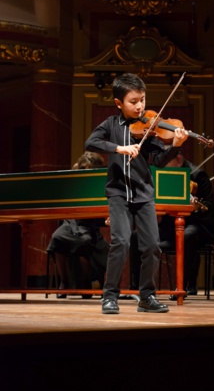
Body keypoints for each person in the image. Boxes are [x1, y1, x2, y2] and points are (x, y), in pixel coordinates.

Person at [85, 72, 189, 314]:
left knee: (152, 245)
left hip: (143, 193)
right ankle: (110, 296)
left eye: (142, 99)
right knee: (120, 241)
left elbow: (161, 161)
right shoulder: (111, 124)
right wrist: (119, 148)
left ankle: (147, 297)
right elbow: (91, 142)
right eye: (133, 101)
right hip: (118, 192)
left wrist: (175, 146)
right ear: (119, 103)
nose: (140, 105)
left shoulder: (149, 127)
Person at [130, 151, 214, 298]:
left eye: (165, 163)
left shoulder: (198, 176)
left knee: (187, 234)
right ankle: (137, 288)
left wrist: (194, 208)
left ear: (178, 159)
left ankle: (182, 286)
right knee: (136, 236)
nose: (162, 168)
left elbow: (209, 208)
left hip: (198, 227)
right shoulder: (162, 175)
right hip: (170, 227)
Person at [47, 151, 109, 298]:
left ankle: (86, 283)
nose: (87, 172)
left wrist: (105, 220)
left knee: (85, 241)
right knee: (57, 237)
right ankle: (64, 283)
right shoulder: (74, 179)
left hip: (89, 225)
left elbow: (101, 211)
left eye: (90, 169)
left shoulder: (102, 182)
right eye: (85, 169)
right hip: (72, 222)